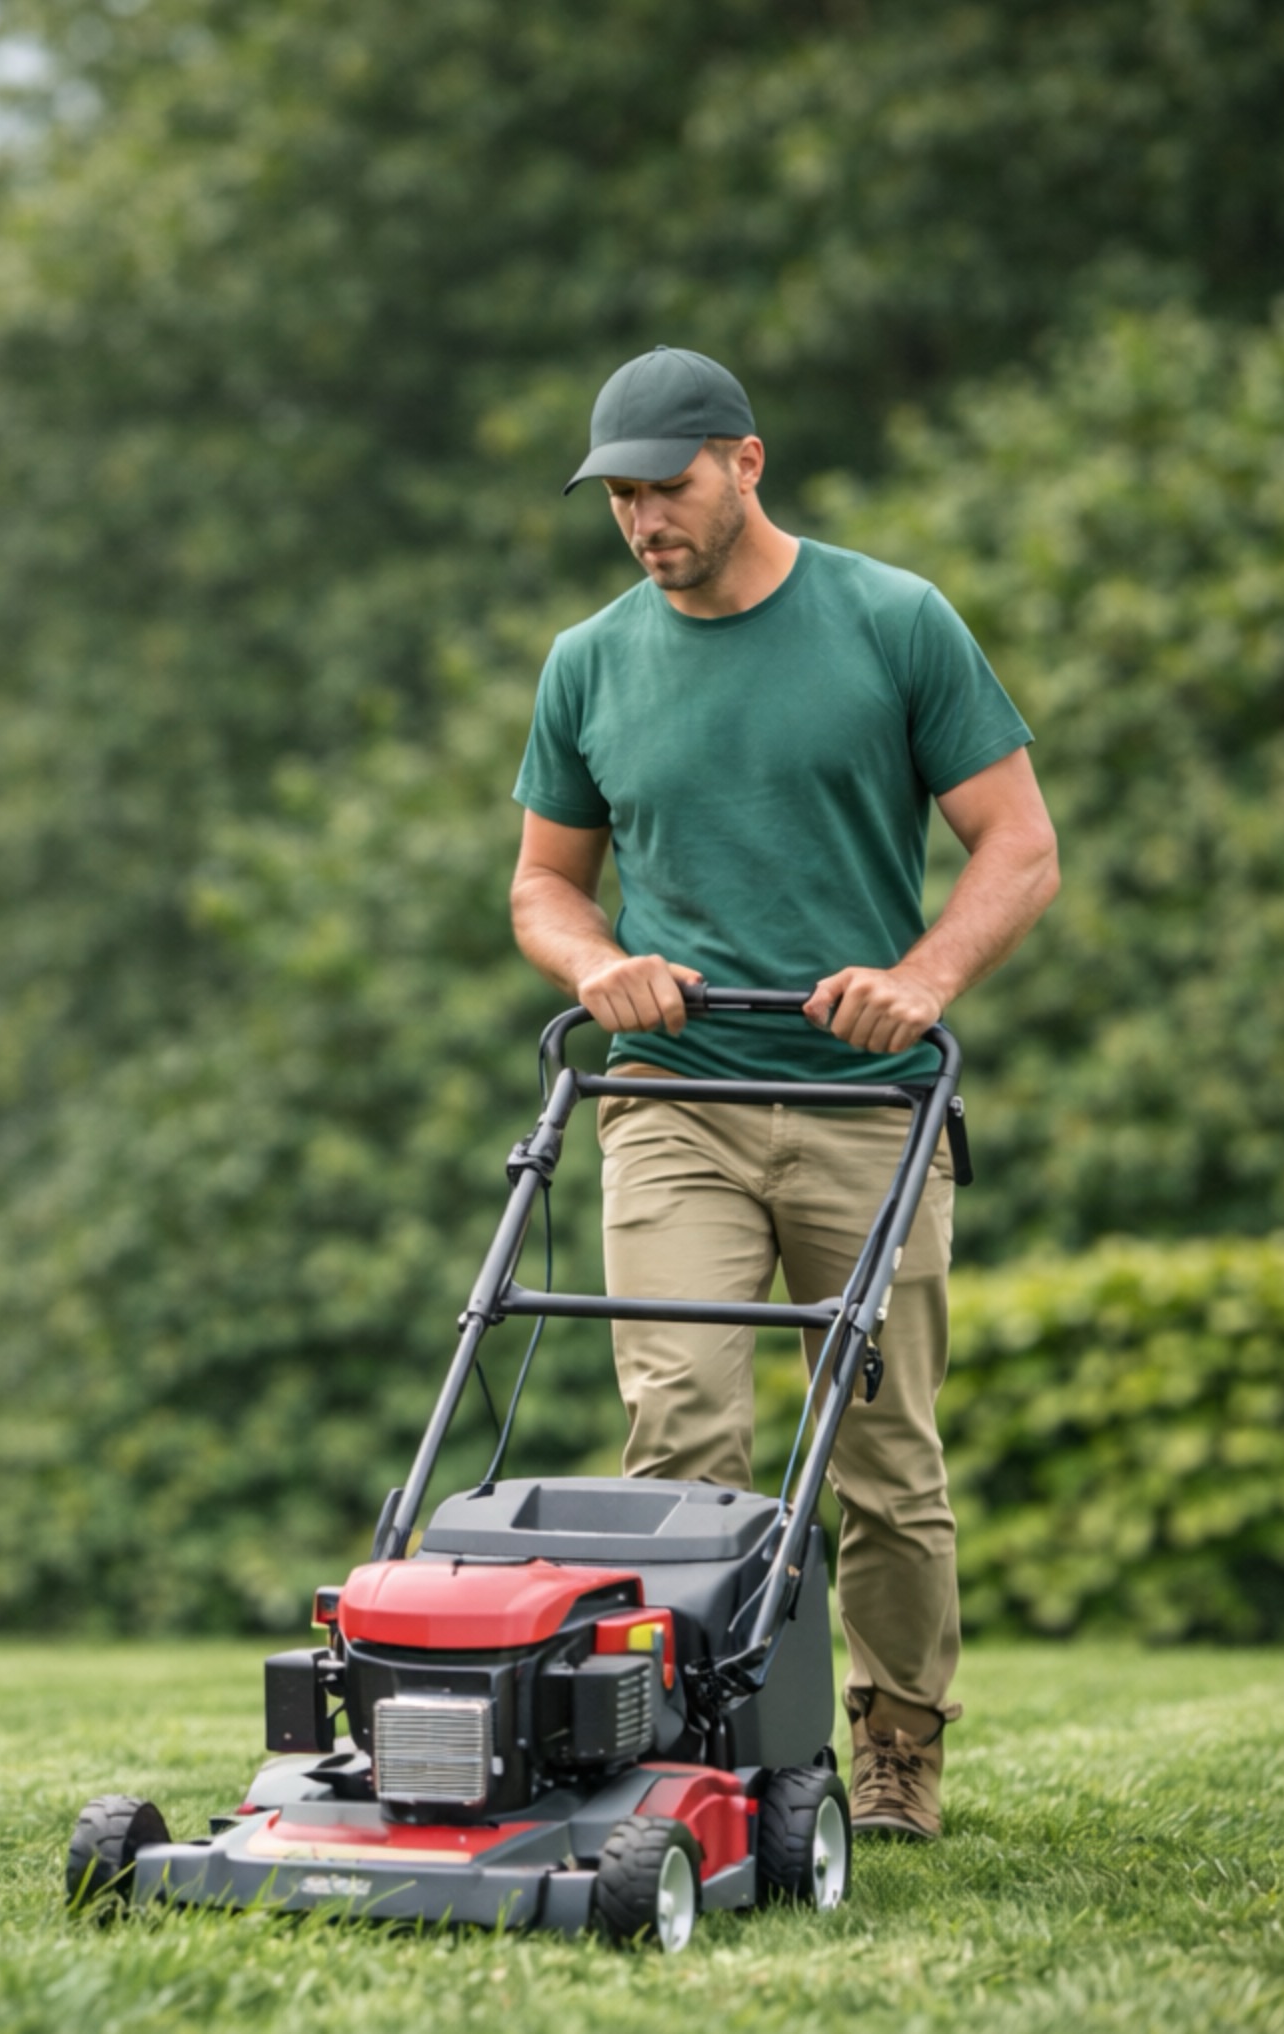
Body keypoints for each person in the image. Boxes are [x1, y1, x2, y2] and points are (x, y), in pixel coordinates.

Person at [508, 345, 1059, 1841]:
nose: (641, 520)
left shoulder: (894, 623)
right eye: (618, 495)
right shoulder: (592, 660)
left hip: (868, 1108)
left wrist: (924, 981)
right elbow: (545, 887)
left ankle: (898, 1743)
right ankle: (692, 1744)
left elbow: (1018, 843)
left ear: (746, 461)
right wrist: (596, 965)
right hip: (675, 1099)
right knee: (681, 1427)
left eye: (666, 485)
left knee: (883, 1456)